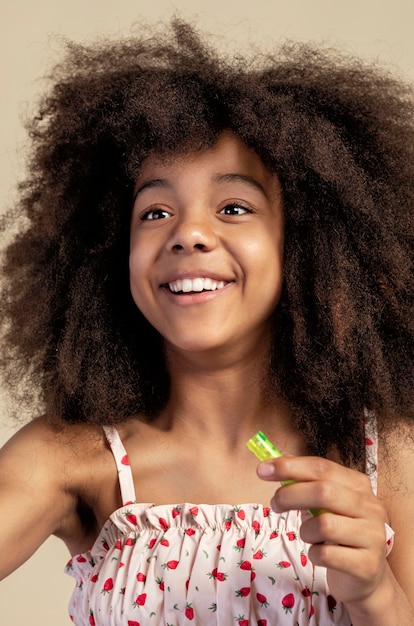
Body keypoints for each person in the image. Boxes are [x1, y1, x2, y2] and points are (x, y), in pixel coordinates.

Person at [0, 17, 413, 626]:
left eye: (234, 206)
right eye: (156, 210)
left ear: (303, 243)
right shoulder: (70, 458)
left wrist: (375, 593)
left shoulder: (388, 456)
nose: (189, 234)